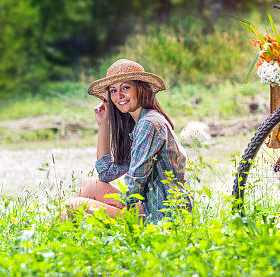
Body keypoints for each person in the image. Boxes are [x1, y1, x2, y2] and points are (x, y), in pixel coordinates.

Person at [63, 59, 191, 223]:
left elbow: (134, 186)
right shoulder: (139, 124)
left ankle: (61, 244)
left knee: (73, 206)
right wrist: (103, 125)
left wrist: (104, 207)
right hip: (148, 204)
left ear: (140, 88)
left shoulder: (149, 124)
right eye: (113, 91)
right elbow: (105, 173)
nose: (119, 96)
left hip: (162, 214)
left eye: (125, 88)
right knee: (89, 186)